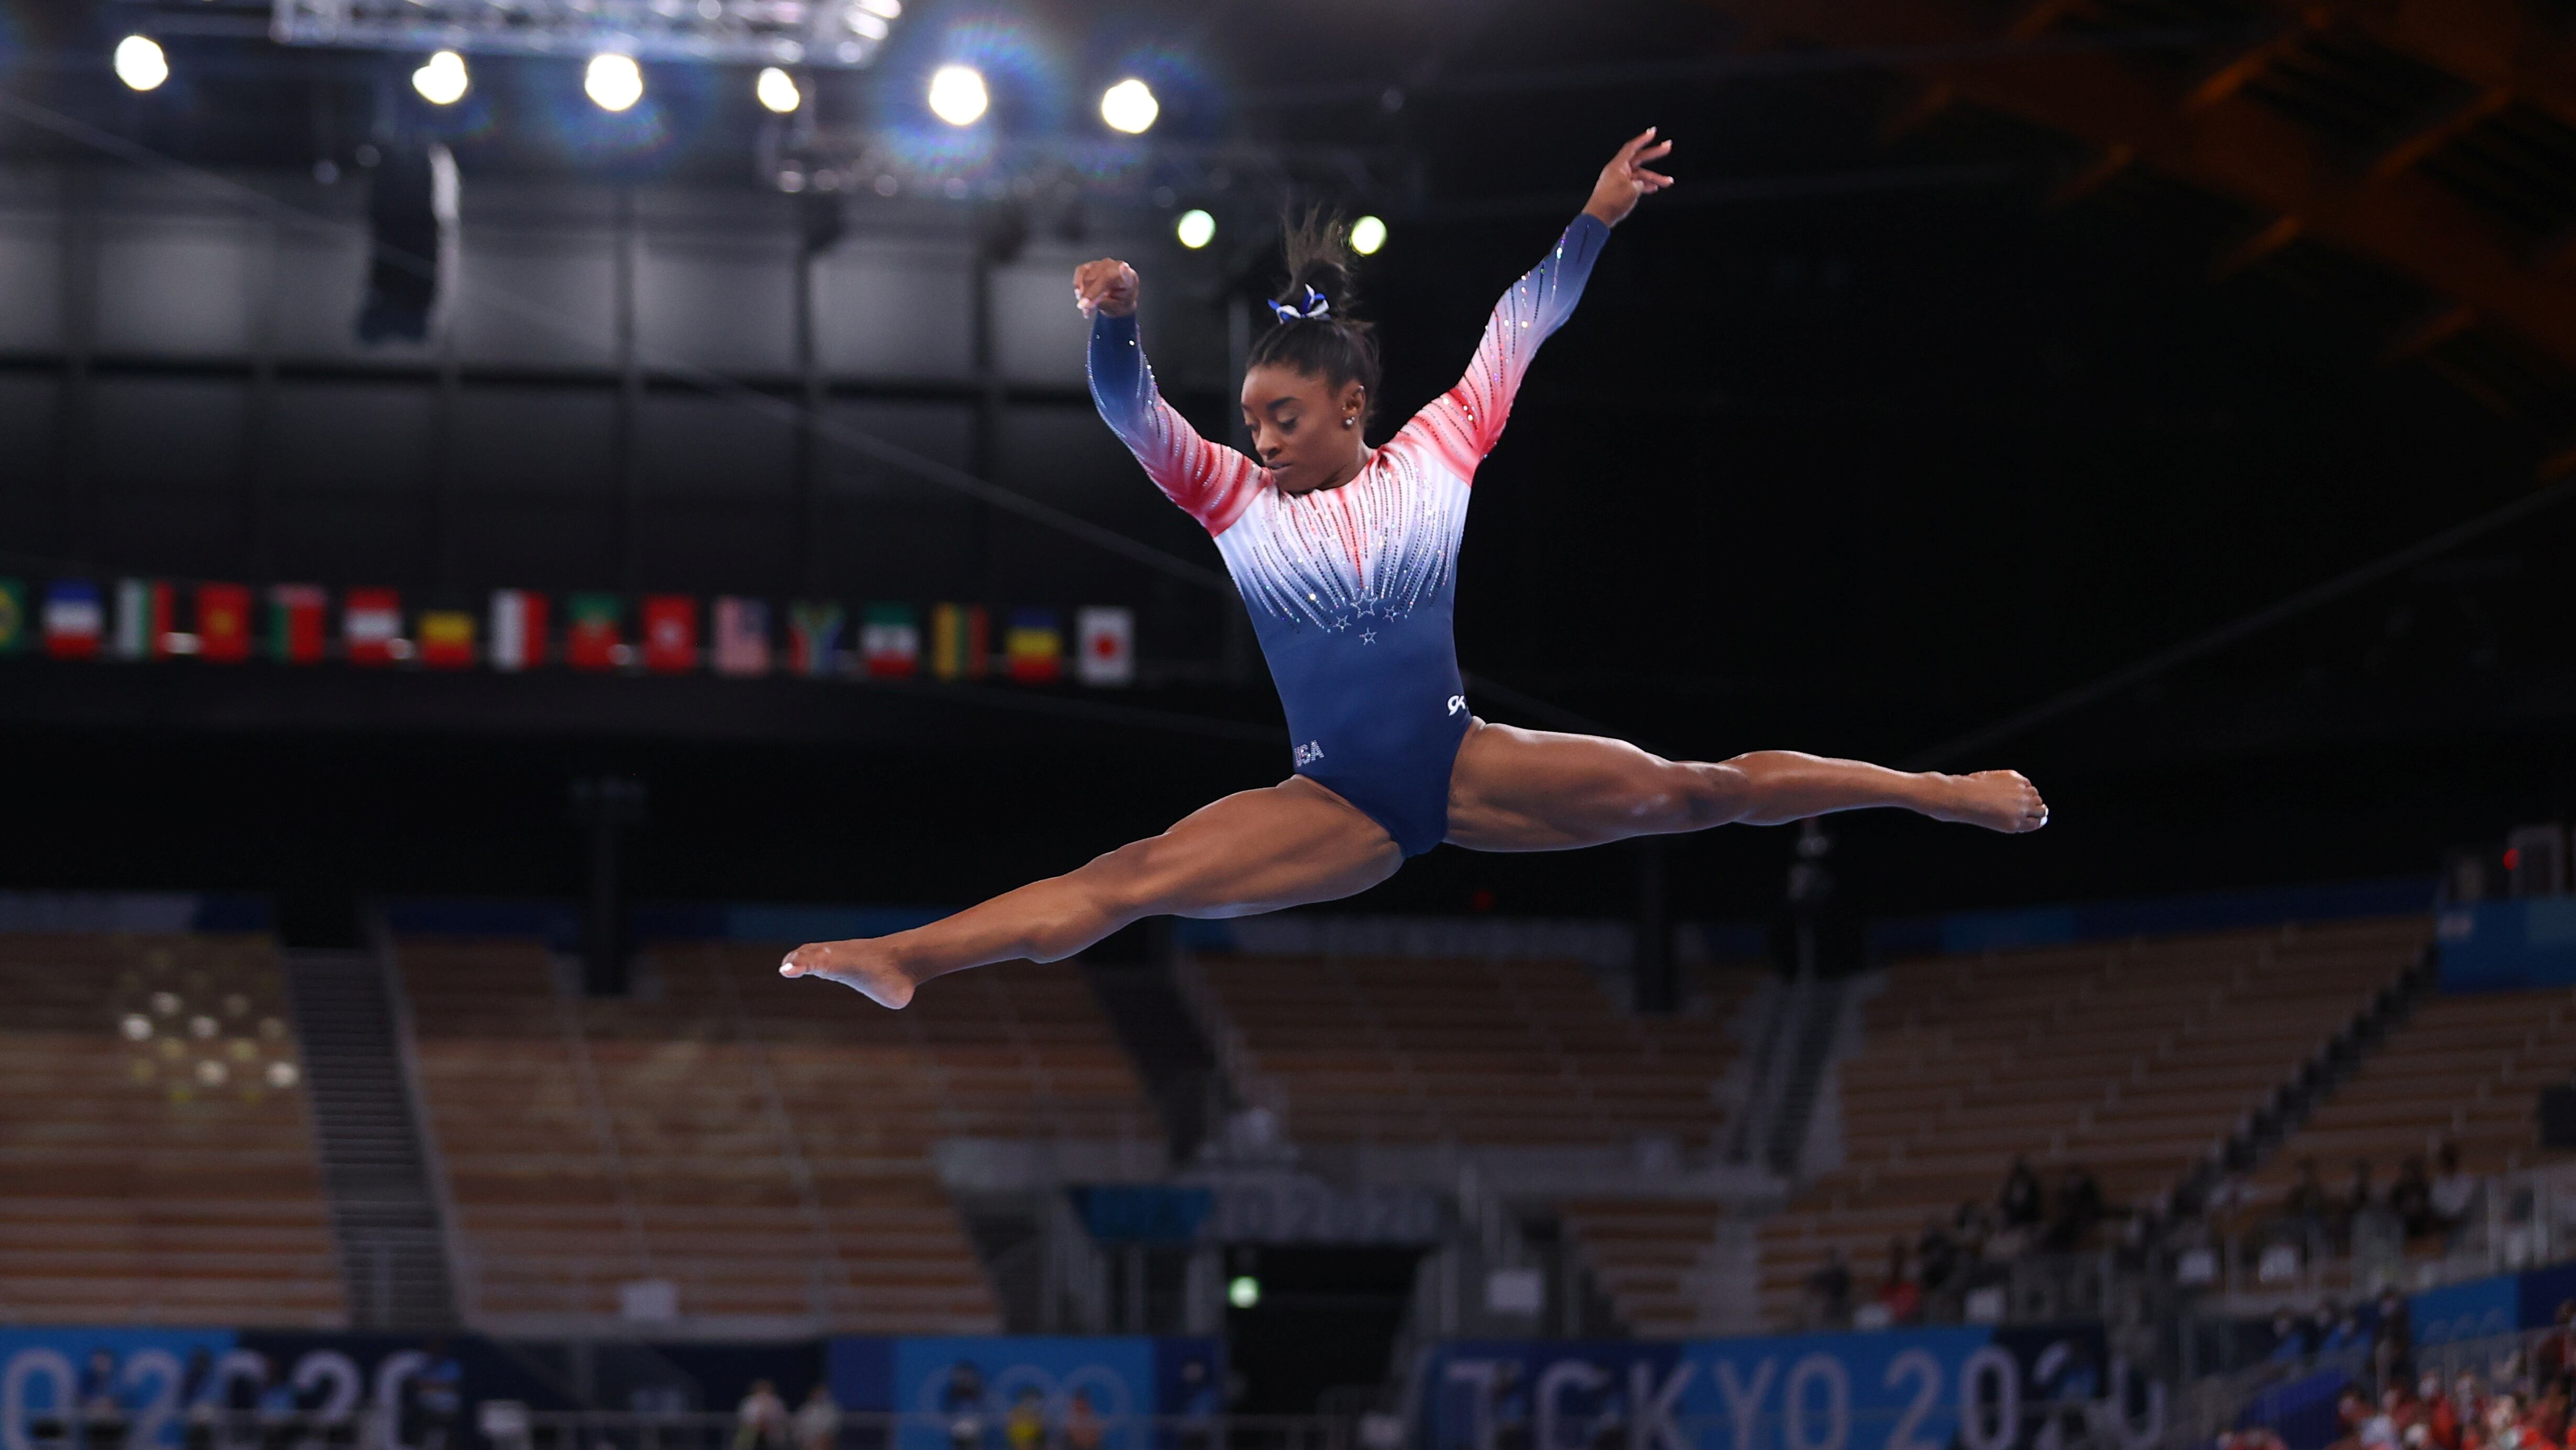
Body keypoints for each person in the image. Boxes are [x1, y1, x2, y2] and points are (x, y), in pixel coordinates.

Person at [774, 129, 2049, 1008]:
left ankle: (1936, 791)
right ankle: (905, 960)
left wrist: (1594, 219)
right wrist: (1114, 323)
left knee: (1695, 791)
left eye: (1282, 420)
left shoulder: (1438, 450)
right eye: (1251, 421)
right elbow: (1129, 412)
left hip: (1460, 763)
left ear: (1349, 408)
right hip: (1336, 803)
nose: (1258, 441)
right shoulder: (1226, 496)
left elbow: (1524, 321)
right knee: (1127, 882)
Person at [736, 1381, 789, 1450]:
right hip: (752, 1429)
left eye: (766, 1390)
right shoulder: (748, 1402)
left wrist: (768, 1424)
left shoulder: (777, 1402)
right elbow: (745, 1418)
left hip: (772, 1430)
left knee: (778, 1435)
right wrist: (758, 1425)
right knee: (745, 1434)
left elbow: (781, 1417)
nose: (764, 1393)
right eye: (761, 1390)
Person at [795, 1384, 842, 1450]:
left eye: (821, 1392)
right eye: (817, 1392)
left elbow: (830, 1431)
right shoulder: (805, 1410)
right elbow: (798, 1429)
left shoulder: (832, 1410)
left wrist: (817, 1443)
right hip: (806, 1443)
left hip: (823, 1442)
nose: (819, 1395)